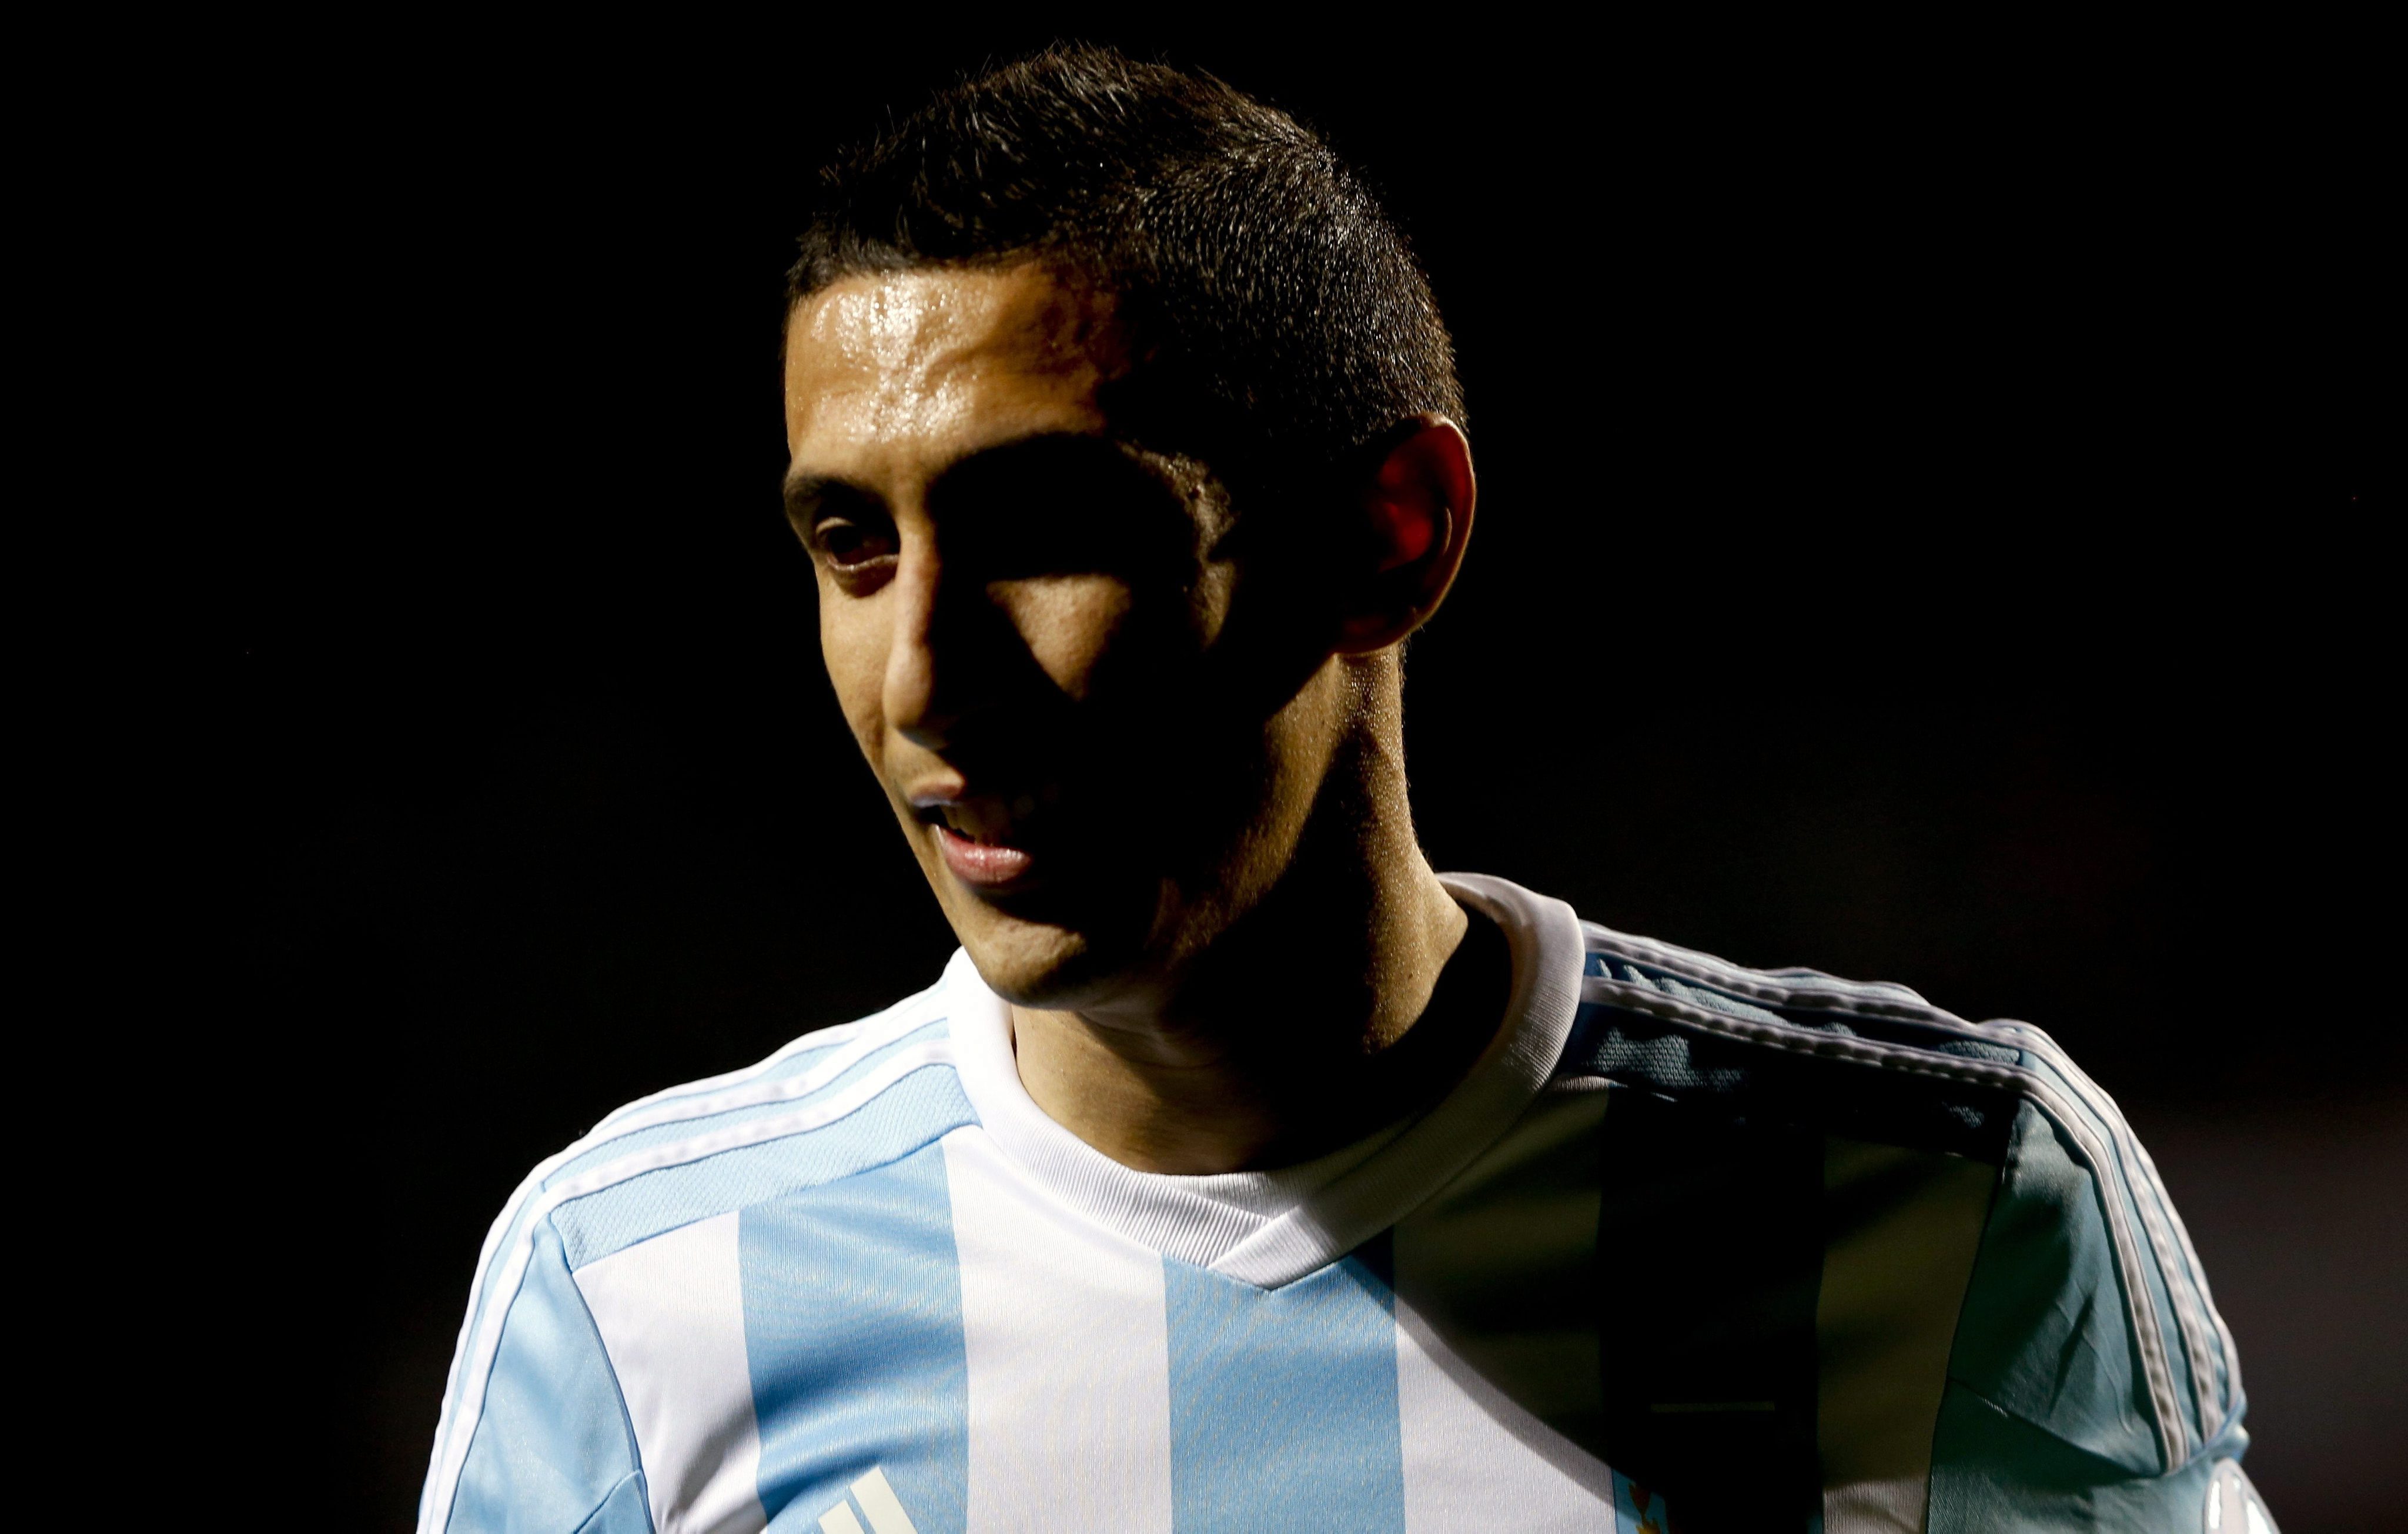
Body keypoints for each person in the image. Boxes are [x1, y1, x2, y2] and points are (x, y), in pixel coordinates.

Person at [417, 46, 2275, 1534]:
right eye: (853, 546)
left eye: (1047, 526)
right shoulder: (640, 1294)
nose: (920, 677)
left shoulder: (1949, 1212)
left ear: (1392, 538)